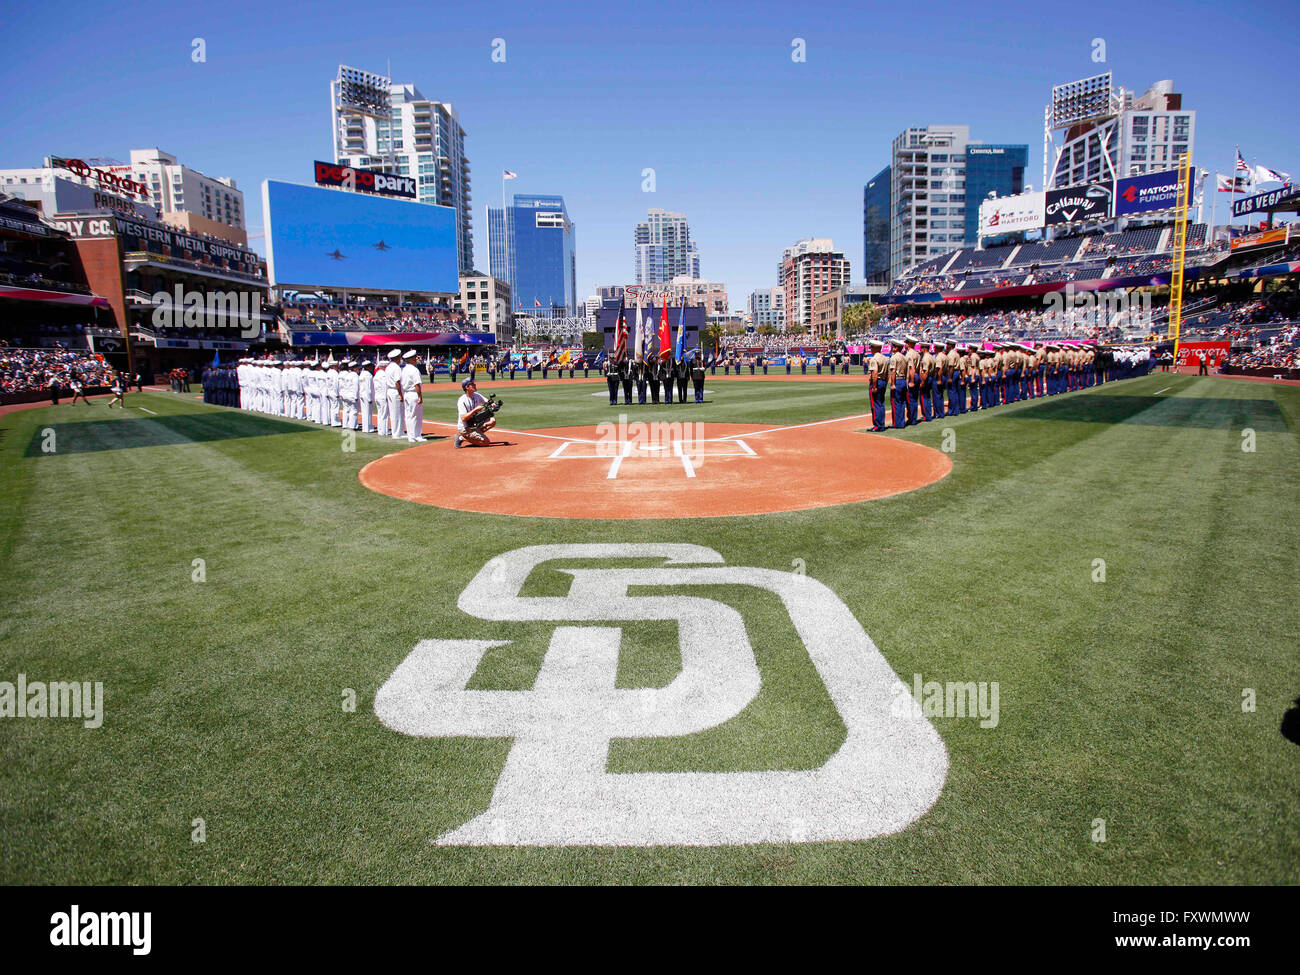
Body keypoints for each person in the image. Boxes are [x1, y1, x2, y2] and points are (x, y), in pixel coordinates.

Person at [456, 378, 494, 448]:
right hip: (465, 427)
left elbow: (488, 401)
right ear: (467, 387)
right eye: (472, 384)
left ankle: (475, 435)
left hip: (474, 424)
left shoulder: (476, 395)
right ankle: (461, 438)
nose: (475, 385)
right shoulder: (462, 400)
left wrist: (493, 404)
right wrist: (475, 410)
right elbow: (463, 418)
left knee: (492, 421)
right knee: (486, 442)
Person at [400, 350, 425, 442]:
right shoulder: (414, 370)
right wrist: (420, 396)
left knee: (409, 415)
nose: (416, 359)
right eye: (414, 358)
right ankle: (417, 435)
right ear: (410, 359)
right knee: (416, 415)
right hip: (413, 393)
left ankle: (411, 436)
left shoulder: (404, 369)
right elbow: (417, 384)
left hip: (406, 393)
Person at [867, 339, 887, 432]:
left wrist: (874, 386)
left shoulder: (874, 359)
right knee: (881, 404)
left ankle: (877, 425)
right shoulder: (884, 358)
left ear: (875, 348)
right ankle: (881, 424)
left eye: (872, 347)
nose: (871, 349)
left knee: (875, 404)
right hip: (883, 381)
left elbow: (874, 373)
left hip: (877, 382)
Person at [384, 349, 404, 439]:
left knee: (393, 413)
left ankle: (397, 431)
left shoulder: (388, 367)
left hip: (389, 390)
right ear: (397, 358)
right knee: (397, 413)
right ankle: (397, 433)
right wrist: (400, 394)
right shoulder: (396, 367)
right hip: (395, 391)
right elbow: (397, 382)